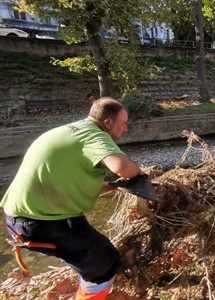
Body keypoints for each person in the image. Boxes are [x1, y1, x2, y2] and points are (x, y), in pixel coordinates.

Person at [1, 97, 143, 299]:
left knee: (96, 250)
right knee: (103, 263)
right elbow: (123, 168)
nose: (126, 129)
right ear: (108, 122)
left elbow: (72, 188)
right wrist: (139, 174)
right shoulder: (94, 135)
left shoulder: (69, 130)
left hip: (20, 219)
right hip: (43, 223)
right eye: (123, 123)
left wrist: (113, 186)